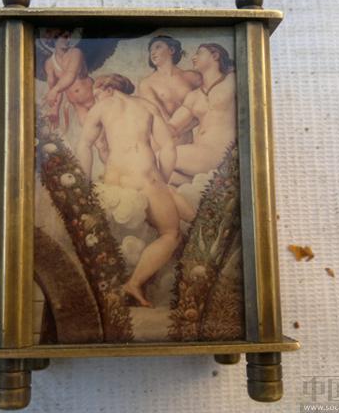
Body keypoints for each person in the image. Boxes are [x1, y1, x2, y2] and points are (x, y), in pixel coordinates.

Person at [77, 74, 189, 308]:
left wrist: (84, 186)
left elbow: (84, 145)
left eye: (97, 93)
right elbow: (168, 148)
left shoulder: (101, 108)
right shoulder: (147, 106)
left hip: (115, 181)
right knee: (171, 234)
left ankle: (118, 286)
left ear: (107, 88)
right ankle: (134, 283)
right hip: (145, 179)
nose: (96, 99)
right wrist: (161, 181)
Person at [167, 43, 237, 185]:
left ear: (215, 55)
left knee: (161, 159)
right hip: (200, 154)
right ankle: (197, 184)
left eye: (199, 53)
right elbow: (172, 127)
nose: (194, 57)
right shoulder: (193, 96)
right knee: (158, 166)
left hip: (222, 153)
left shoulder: (232, 81)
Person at [42, 29, 109, 160]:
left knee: (109, 138)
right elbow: (54, 90)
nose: (67, 40)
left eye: (68, 37)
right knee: (99, 143)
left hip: (94, 99)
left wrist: (54, 90)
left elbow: (70, 76)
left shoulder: (75, 53)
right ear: (54, 39)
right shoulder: (49, 63)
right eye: (63, 37)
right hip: (79, 107)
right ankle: (110, 170)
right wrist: (54, 109)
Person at [137, 35, 201, 146]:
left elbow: (204, 110)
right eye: (150, 50)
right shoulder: (146, 83)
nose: (153, 53)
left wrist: (179, 129)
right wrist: (174, 130)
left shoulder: (193, 77)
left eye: (158, 47)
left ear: (171, 50)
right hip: (162, 144)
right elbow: (159, 115)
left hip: (188, 141)